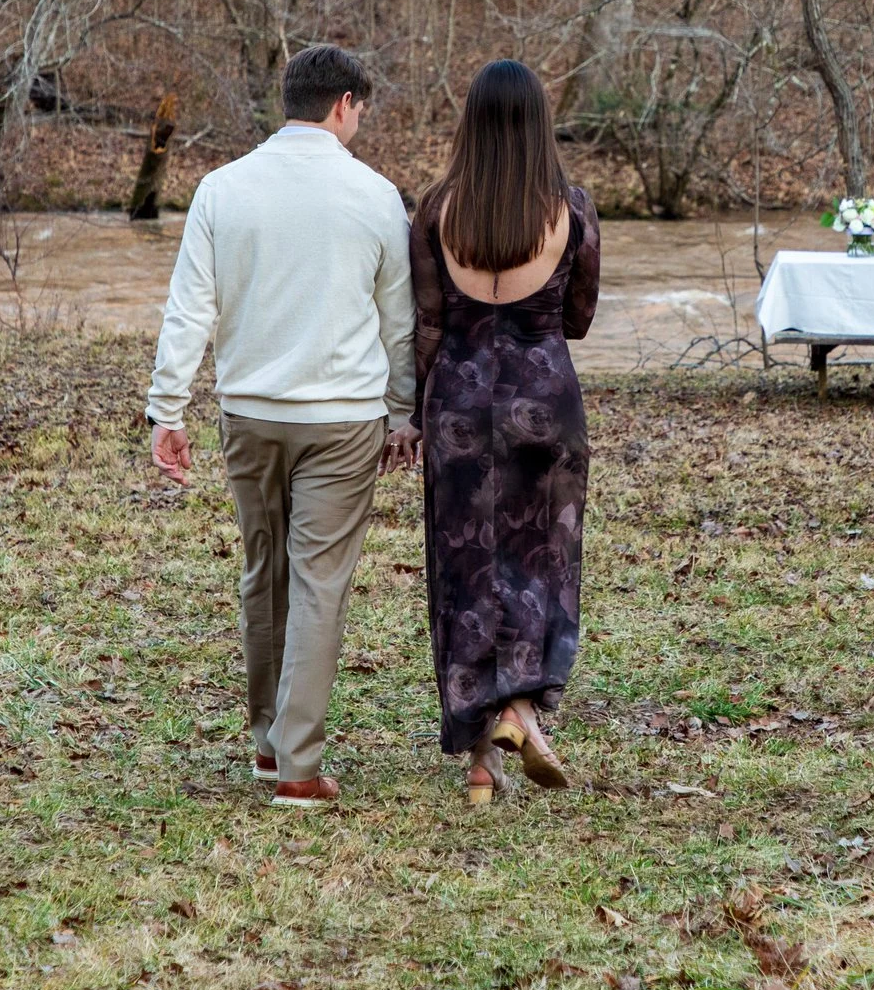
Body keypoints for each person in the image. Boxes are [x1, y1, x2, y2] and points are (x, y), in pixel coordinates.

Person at [146, 45, 421, 810]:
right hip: (343, 420)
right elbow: (398, 324)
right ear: (343, 104)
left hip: (250, 414)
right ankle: (297, 763)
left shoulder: (221, 188)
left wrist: (168, 408)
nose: (359, 121)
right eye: (360, 110)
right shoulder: (376, 196)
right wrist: (404, 411)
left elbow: (189, 308)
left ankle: (270, 744)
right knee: (318, 582)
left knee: (264, 573)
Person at [410, 60, 601, 805]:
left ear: (472, 124)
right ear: (538, 125)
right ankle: (522, 709)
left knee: (465, 569)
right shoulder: (571, 209)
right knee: (540, 562)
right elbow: (578, 317)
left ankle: (482, 756)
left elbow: (428, 324)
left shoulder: (436, 210)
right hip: (544, 402)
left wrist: (413, 411)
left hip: (457, 406)